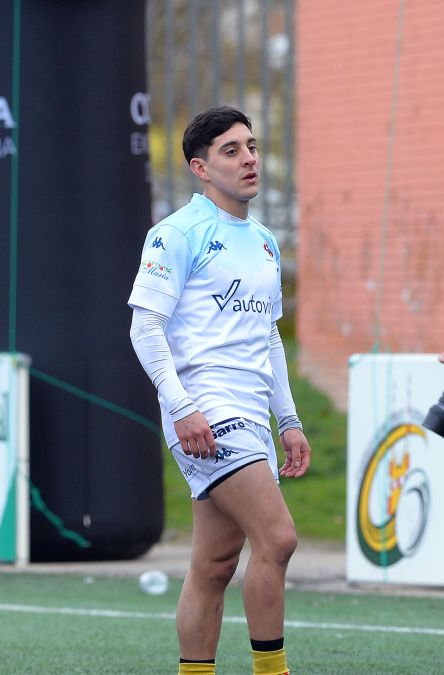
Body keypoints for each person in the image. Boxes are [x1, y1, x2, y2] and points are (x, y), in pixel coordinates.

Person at [127, 106, 310, 675]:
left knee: (214, 563)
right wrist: (181, 406)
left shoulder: (264, 241)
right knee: (278, 538)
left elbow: (270, 337)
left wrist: (288, 419)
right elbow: (144, 327)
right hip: (206, 411)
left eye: (251, 146)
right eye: (231, 151)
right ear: (200, 168)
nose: (249, 159)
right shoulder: (178, 233)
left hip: (252, 414)